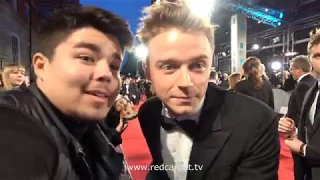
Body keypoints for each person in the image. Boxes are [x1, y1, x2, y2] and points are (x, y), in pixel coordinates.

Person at [137, 1, 279, 180]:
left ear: (210, 64)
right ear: (148, 71)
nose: (186, 82)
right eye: (168, 66)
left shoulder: (257, 121)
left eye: (198, 65)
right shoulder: (148, 113)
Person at [0, 6, 133, 180]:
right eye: (86, 58)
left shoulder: (86, 123)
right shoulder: (12, 125)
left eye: (114, 66)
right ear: (41, 66)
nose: (106, 74)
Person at [279, 28, 320, 180]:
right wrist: (293, 131)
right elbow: (312, 129)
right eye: (317, 56)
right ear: (311, 61)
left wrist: (303, 149)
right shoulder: (312, 92)